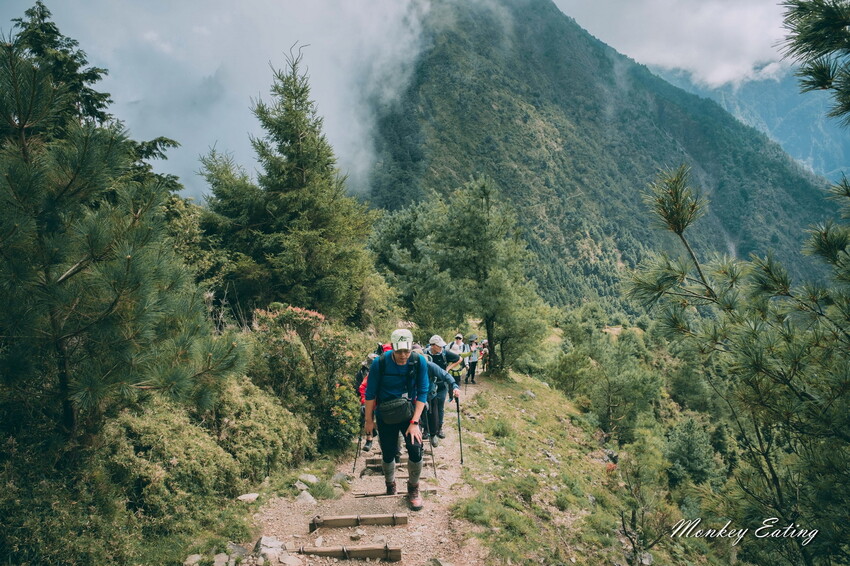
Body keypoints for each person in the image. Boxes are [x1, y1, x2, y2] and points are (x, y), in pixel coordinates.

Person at [364, 329, 430, 510]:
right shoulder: (380, 363)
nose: (403, 355)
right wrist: (368, 421)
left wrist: (415, 422)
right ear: (392, 347)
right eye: (399, 351)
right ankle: (390, 483)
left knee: (415, 449)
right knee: (388, 452)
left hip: (409, 413)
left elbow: (423, 391)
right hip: (385, 414)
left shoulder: (419, 361)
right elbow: (370, 393)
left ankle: (413, 488)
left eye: (406, 351)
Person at [412, 345, 461, 447]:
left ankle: (433, 434)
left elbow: (445, 375)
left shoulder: (430, 365)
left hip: (430, 396)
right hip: (414, 397)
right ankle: (419, 440)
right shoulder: (408, 367)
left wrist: (454, 386)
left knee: (433, 417)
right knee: (416, 419)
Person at [426, 335, 461, 439]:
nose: (441, 347)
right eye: (439, 346)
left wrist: (448, 368)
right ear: (432, 345)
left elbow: (459, 359)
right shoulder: (425, 354)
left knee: (440, 406)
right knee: (428, 407)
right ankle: (426, 429)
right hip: (429, 385)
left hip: (442, 383)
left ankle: (439, 428)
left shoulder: (445, 353)